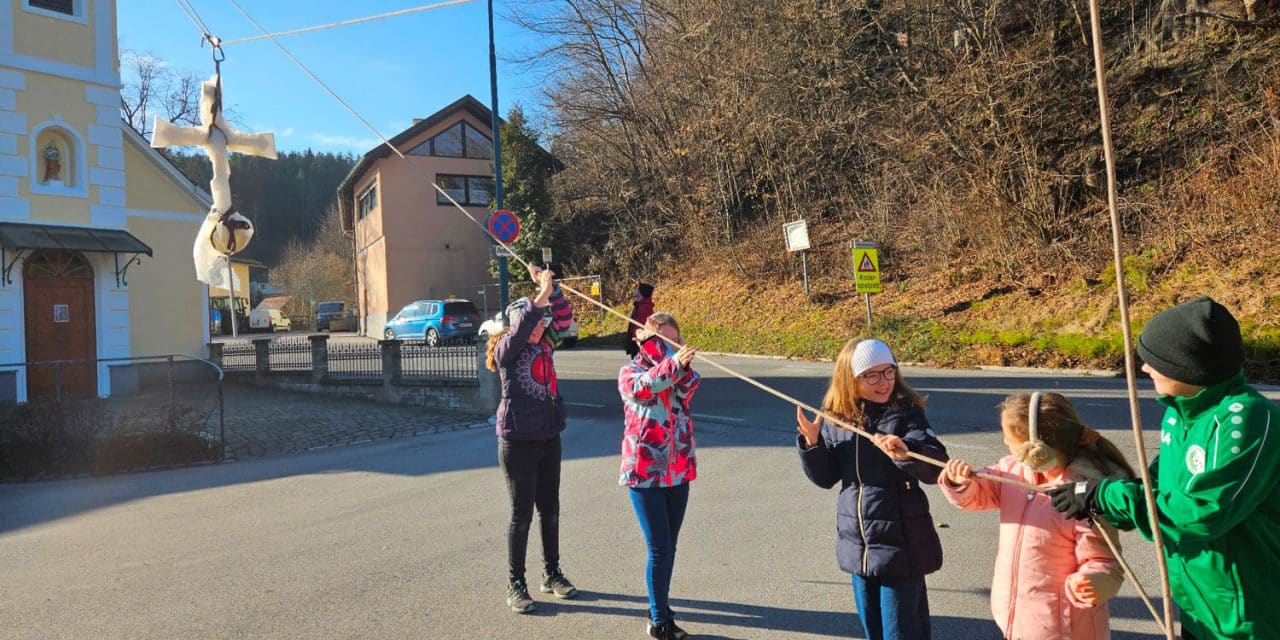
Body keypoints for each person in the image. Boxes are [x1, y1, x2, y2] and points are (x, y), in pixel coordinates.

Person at [1049, 296, 1280, 640]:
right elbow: (1157, 488)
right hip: (1199, 607)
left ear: (1190, 366)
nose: (1144, 368)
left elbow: (1202, 513)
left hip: (1246, 616)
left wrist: (1108, 497)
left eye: (1156, 361)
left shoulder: (1246, 418)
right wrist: (1096, 494)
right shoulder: (1180, 413)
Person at [940, 391, 1134, 639]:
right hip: (1019, 618)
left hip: (1065, 629)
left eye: (1008, 437)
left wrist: (1092, 582)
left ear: (1035, 448)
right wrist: (960, 483)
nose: (1004, 442)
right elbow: (981, 494)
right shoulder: (1013, 470)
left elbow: (1105, 562)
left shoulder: (1083, 495)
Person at [796, 337, 948, 640]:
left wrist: (906, 450)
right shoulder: (836, 418)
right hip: (858, 546)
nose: (884, 382)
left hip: (900, 544)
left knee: (903, 631)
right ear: (850, 379)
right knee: (873, 631)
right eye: (872, 375)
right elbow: (826, 479)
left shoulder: (906, 413)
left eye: (889, 371)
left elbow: (935, 464)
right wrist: (812, 444)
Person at [486, 264, 579, 613]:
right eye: (535, 320)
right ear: (518, 322)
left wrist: (551, 289)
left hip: (548, 436)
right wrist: (539, 293)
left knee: (550, 509)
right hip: (517, 440)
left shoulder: (546, 345)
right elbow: (527, 320)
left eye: (543, 322)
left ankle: (552, 574)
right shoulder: (508, 348)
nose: (542, 325)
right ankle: (516, 583)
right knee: (520, 514)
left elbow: (565, 319)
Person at [618, 313, 701, 640]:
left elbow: (688, 387)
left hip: (679, 472)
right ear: (643, 341)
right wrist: (669, 360)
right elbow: (646, 387)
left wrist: (677, 362)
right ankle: (658, 621)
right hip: (644, 475)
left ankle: (661, 607)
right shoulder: (630, 372)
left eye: (672, 341)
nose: (666, 347)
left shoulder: (683, 373)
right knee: (660, 550)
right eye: (658, 340)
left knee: (670, 548)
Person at [625, 282, 656, 358]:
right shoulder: (639, 306)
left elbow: (641, 327)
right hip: (637, 341)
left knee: (643, 363)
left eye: (637, 289)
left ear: (642, 293)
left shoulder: (645, 308)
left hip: (641, 341)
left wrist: (638, 341)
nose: (635, 291)